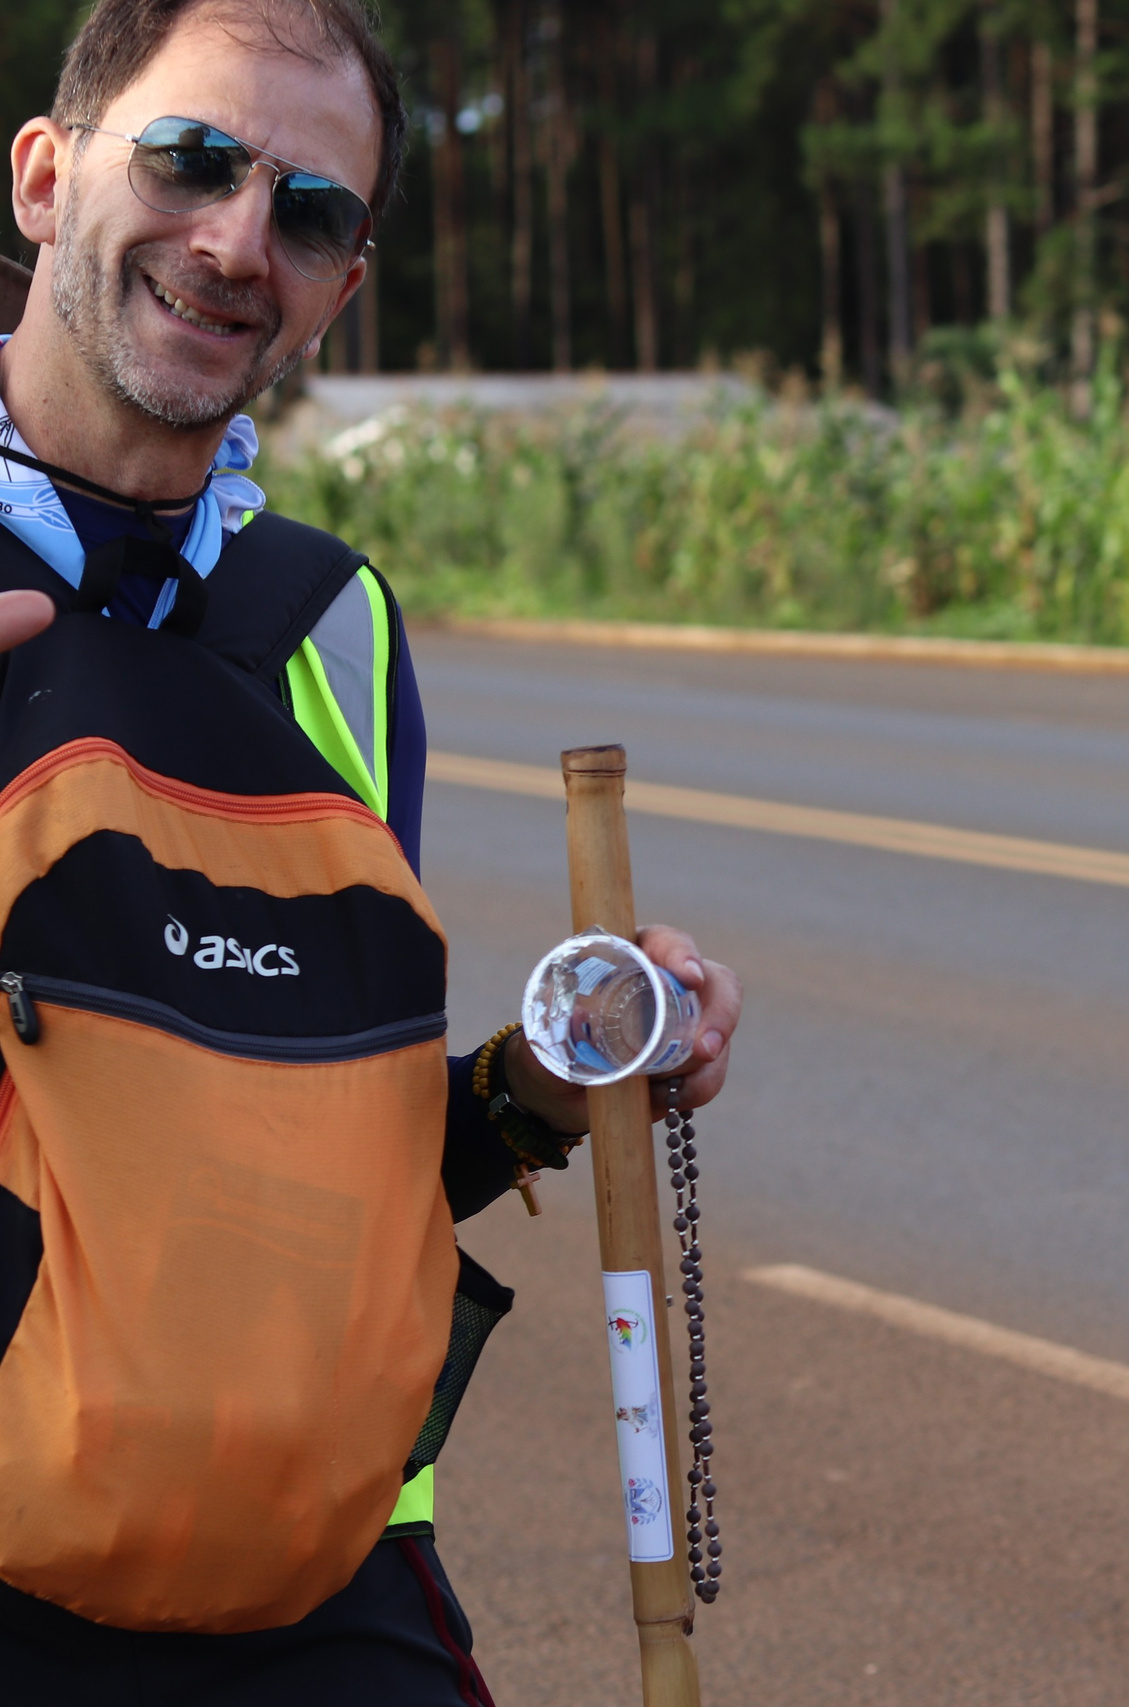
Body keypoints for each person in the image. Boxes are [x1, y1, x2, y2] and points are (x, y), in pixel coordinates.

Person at [0, 0, 741, 1700]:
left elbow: (318, 1151)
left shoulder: (329, 624)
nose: (238, 240)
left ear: (345, 285)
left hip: (320, 1578)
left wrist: (555, 1084)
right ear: (46, 178)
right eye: (190, 160)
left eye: (311, 210)